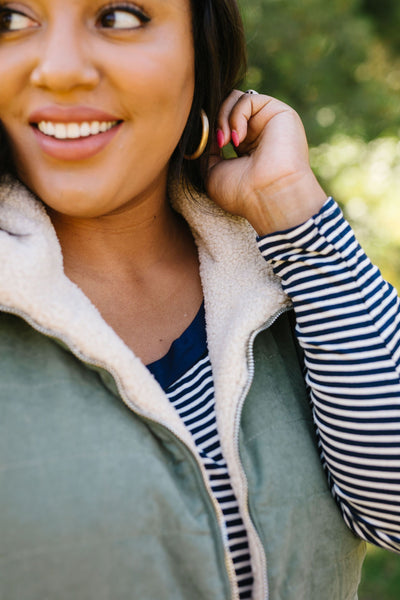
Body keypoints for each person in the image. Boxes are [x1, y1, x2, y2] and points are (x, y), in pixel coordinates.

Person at [0, 0, 399, 599]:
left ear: (200, 46)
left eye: (119, 16)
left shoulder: (288, 275)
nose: (59, 70)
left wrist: (298, 222)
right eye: (8, 19)